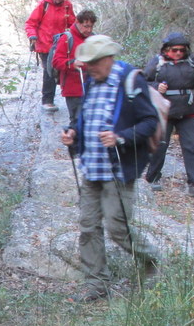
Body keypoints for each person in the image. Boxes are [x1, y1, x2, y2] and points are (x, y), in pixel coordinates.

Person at [59, 35, 161, 301]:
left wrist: (120, 137)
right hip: (91, 168)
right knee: (88, 227)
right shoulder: (92, 81)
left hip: (117, 169)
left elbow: (150, 121)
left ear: (107, 59)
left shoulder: (130, 80)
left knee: (117, 227)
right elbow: (87, 118)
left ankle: (152, 264)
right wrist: (74, 134)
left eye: (92, 63)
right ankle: (96, 285)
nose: (87, 68)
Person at [142, 32, 194, 199]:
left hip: (187, 110)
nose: (178, 53)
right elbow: (143, 82)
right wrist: (155, 86)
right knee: (160, 145)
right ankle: (151, 178)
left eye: (182, 50)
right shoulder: (157, 63)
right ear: (166, 49)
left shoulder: (191, 62)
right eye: (175, 50)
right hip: (164, 110)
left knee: (191, 146)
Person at [24, 0, 76, 112]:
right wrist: (32, 36)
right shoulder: (44, 4)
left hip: (61, 43)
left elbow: (72, 23)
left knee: (63, 69)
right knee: (50, 71)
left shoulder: (67, 6)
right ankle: (47, 101)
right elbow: (31, 23)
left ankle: (71, 97)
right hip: (45, 44)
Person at [50, 9, 96, 126]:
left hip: (92, 86)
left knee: (92, 120)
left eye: (91, 27)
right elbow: (56, 61)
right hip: (73, 89)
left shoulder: (93, 38)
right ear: (78, 23)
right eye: (86, 26)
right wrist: (72, 63)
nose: (89, 30)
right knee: (76, 122)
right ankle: (74, 143)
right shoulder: (66, 39)